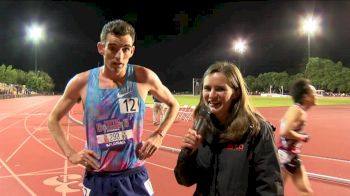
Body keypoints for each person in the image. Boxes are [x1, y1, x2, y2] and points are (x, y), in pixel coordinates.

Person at [48, 19, 179, 196]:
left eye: (125, 49)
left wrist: (159, 134)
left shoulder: (144, 77)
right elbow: (53, 119)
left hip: (134, 175)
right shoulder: (82, 82)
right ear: (101, 48)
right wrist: (71, 154)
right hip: (98, 177)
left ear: (132, 50)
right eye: (113, 48)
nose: (119, 56)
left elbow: (173, 104)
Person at [174, 61, 283, 195]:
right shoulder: (202, 126)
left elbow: (270, 188)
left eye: (220, 89)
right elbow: (184, 180)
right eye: (207, 88)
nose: (211, 95)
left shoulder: (256, 130)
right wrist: (188, 154)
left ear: (236, 92)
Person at [277, 78, 316, 195]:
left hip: (292, 155)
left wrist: (300, 136)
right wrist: (302, 137)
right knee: (275, 191)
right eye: (313, 93)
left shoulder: (301, 111)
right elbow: (284, 132)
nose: (316, 95)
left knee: (306, 191)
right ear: (305, 96)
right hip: (284, 157)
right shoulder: (296, 110)